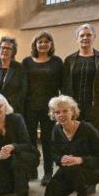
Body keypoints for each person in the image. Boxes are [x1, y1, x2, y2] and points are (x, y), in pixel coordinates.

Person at [45, 95, 99, 196]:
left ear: (73, 111)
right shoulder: (56, 130)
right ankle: (75, 184)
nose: (61, 115)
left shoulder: (87, 128)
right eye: (57, 112)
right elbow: (54, 154)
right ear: (53, 115)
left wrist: (80, 160)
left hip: (91, 170)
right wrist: (61, 159)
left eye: (65, 111)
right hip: (68, 170)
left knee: (73, 165)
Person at [22, 31, 63, 185]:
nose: (43, 44)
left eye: (46, 41)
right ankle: (32, 170)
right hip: (30, 107)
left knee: (48, 141)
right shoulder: (26, 62)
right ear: (35, 44)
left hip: (49, 108)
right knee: (30, 140)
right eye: (40, 42)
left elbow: (62, 85)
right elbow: (22, 84)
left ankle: (48, 172)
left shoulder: (57, 62)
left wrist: (62, 108)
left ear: (51, 44)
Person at [0, 93, 40, 196]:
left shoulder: (17, 119)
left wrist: (13, 146)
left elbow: (27, 144)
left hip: (23, 156)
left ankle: (22, 192)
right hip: (3, 160)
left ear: (6, 106)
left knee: (18, 160)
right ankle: (15, 181)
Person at [62, 23, 99, 134]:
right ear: (77, 39)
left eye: (89, 35)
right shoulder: (69, 60)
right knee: (73, 138)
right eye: (82, 35)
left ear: (94, 37)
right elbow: (65, 86)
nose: (85, 38)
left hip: (95, 109)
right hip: (73, 108)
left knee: (93, 140)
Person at [0, 36, 27, 115]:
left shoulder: (20, 68)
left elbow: (22, 91)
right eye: (3, 47)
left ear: (13, 52)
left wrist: (6, 106)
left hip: (13, 111)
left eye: (8, 48)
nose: (5, 50)